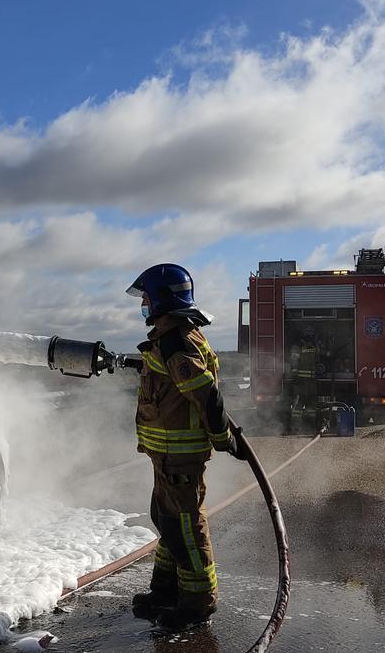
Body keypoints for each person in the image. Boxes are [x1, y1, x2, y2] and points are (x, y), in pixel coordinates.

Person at [125, 263, 246, 630]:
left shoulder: (176, 342)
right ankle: (165, 590)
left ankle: (196, 603)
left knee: (186, 529)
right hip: (166, 459)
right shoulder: (170, 338)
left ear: (162, 300)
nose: (143, 305)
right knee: (167, 522)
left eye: (146, 298)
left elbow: (207, 396)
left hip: (180, 459)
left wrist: (224, 438)